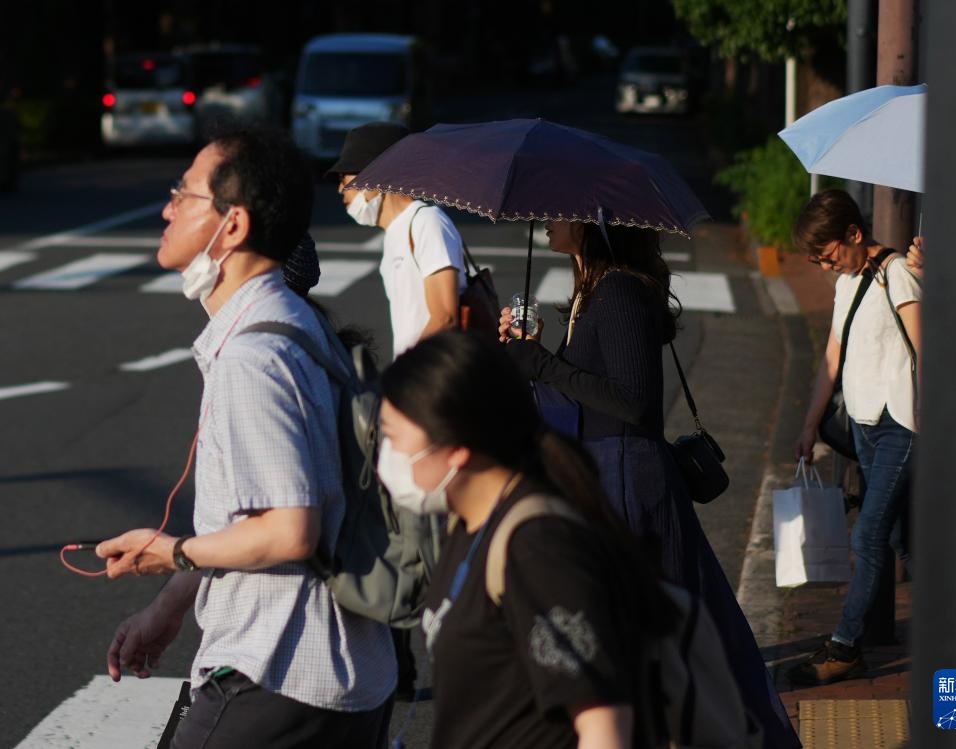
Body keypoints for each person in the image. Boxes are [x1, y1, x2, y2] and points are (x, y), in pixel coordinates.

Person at [95, 127, 396, 747]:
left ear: (231, 226)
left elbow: (289, 531)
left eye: (184, 194)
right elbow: (252, 518)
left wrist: (174, 552)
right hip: (344, 669)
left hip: (280, 671)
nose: (167, 209)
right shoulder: (294, 322)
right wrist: (168, 608)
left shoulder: (254, 357)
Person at [500, 221, 800, 749]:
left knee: (667, 646)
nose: (548, 218)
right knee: (654, 646)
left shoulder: (618, 291)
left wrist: (542, 364)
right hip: (609, 477)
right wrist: (536, 354)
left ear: (591, 222)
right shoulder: (593, 288)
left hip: (628, 484)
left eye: (561, 211)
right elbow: (589, 390)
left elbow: (633, 401)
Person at [379, 330, 678, 749]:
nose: (388, 456)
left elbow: (603, 724)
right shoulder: (470, 523)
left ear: (456, 447)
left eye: (394, 438)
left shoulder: (536, 546)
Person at [790, 188, 922, 685]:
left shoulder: (898, 273)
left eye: (828, 255)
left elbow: (925, 348)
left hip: (901, 425)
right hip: (864, 424)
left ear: (853, 233)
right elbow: (832, 355)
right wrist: (810, 424)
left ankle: (845, 648)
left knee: (867, 536)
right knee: (900, 537)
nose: (826, 266)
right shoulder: (847, 281)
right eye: (818, 261)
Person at [325, 121, 467, 357]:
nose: (340, 189)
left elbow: (445, 318)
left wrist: (404, 373)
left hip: (434, 373)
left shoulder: (426, 222)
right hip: (416, 370)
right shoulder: (395, 233)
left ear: (377, 175)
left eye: (344, 177)